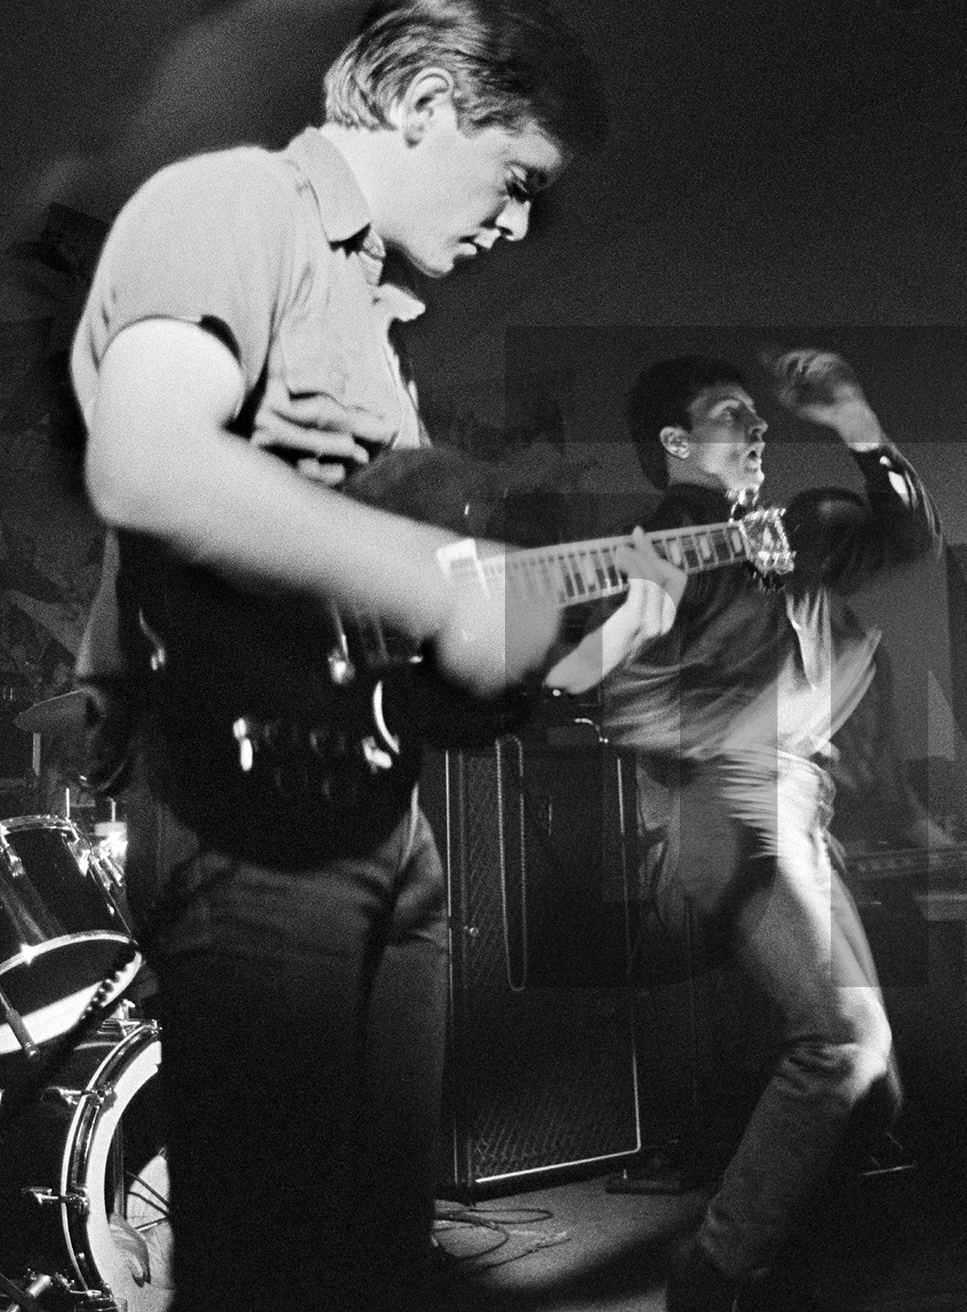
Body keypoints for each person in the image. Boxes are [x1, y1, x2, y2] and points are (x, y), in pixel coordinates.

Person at [69, 4, 680, 1309]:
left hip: (380, 835)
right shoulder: (236, 208)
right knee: (271, 1266)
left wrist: (549, 656)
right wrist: (425, 580)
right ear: (422, 110)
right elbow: (147, 460)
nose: (518, 226)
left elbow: (371, 651)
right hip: (254, 832)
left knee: (366, 1265)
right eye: (514, 179)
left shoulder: (370, 331)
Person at [600, 349, 941, 1310]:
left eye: (760, 416)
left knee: (872, 1087)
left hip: (793, 800)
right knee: (839, 1043)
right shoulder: (661, 543)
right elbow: (616, 691)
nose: (757, 430)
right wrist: (732, 737)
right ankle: (712, 1279)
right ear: (676, 443)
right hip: (733, 799)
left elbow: (907, 539)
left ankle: (774, 1276)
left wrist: (861, 431)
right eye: (730, 414)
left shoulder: (779, 534)